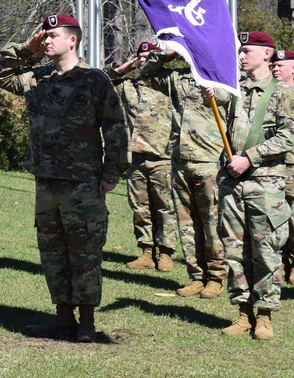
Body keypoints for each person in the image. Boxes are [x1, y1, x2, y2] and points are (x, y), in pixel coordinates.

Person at [0, 14, 128, 343]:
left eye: (53, 35)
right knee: (52, 252)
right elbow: (1, 75)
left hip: (83, 181)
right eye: (44, 35)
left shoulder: (94, 80)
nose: (47, 40)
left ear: (73, 40)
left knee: (84, 252)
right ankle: (63, 318)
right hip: (47, 181)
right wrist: (27, 50)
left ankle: (87, 323)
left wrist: (111, 173)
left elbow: (116, 128)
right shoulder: (38, 78)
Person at [217, 31, 294, 341]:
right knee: (235, 250)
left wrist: (249, 158)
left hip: (265, 183)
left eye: (248, 51)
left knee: (266, 250)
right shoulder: (235, 89)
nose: (241, 56)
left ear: (267, 54)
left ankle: (264, 315)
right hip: (232, 183)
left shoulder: (283, 92)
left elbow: (289, 136)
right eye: (241, 51)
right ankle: (243, 313)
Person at [140, 49, 228, 298]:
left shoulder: (220, 78)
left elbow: (229, 98)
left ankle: (216, 276)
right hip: (179, 161)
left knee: (212, 223)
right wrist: (165, 55)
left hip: (209, 160)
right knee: (187, 223)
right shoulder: (178, 78)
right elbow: (146, 73)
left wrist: (215, 90)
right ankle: (196, 276)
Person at [107, 42, 178, 271]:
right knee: (140, 207)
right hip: (135, 156)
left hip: (163, 155)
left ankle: (166, 253)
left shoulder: (167, 82)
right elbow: (100, 83)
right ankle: (146, 251)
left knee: (164, 206)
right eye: (141, 56)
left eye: (149, 56)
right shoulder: (127, 85)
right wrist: (123, 68)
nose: (144, 59)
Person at [272, 49, 294, 282]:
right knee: (276, 218)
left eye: (281, 66)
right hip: (274, 166)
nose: (275, 69)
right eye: (274, 66)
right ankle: (280, 263)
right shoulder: (270, 94)